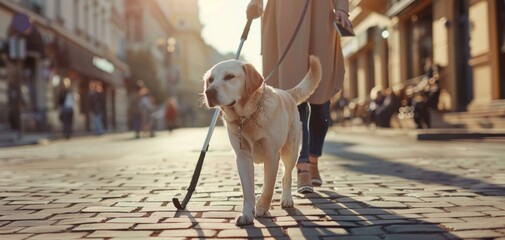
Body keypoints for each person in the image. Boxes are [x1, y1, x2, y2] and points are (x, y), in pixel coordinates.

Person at [247, 0, 352, 193]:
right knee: (294, 99)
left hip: (321, 14)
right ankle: (302, 165)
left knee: (322, 103)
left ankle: (313, 160)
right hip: (284, 15)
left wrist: (343, 9)